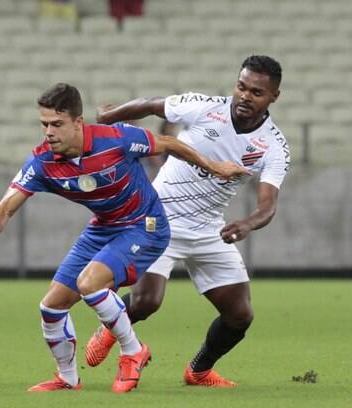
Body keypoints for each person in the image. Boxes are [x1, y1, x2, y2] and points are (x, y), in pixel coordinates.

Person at [0, 83, 249, 393]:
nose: (49, 132)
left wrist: (214, 167)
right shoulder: (43, 162)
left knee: (90, 283)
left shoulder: (116, 139)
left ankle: (133, 351)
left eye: (57, 124)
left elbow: (169, 143)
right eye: (44, 124)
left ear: (78, 123)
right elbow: (6, 205)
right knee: (51, 307)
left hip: (146, 225)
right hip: (103, 227)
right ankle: (68, 379)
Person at [85, 55, 290, 387]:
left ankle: (198, 370)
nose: (245, 97)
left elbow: (268, 205)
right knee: (147, 302)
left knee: (240, 315)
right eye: (241, 87)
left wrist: (247, 224)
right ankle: (111, 327)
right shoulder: (204, 107)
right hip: (159, 217)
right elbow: (152, 105)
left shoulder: (274, 146)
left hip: (211, 228)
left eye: (256, 92)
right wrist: (110, 116)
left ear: (273, 97)